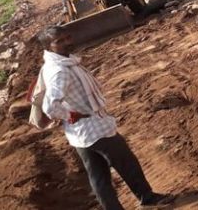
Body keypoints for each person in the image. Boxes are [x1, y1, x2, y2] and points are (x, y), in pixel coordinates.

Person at [33, 25, 175, 209]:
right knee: (127, 163)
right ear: (48, 47)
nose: (67, 42)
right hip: (93, 127)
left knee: (99, 177)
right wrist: (70, 114)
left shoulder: (58, 64)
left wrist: (70, 117)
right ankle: (147, 198)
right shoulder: (61, 71)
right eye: (59, 41)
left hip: (79, 134)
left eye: (68, 37)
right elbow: (50, 106)